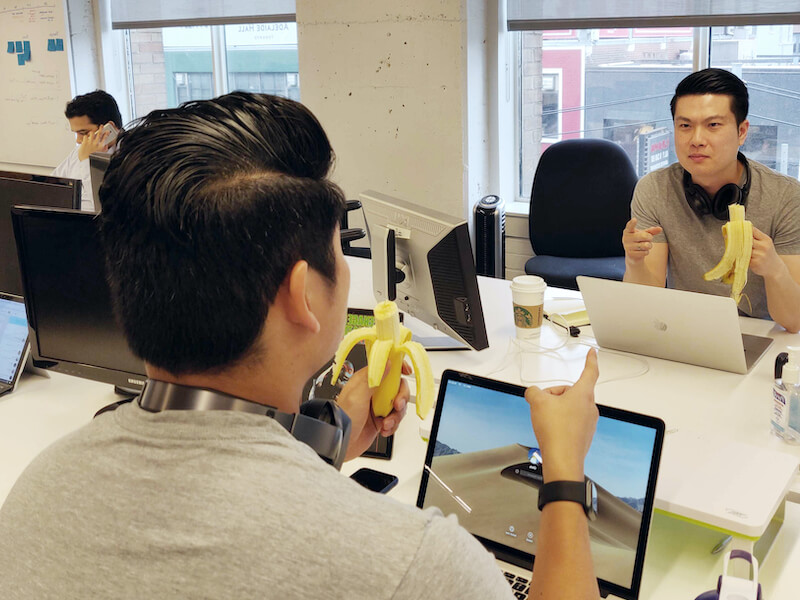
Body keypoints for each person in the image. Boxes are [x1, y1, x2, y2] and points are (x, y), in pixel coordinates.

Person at [0, 92, 600, 599]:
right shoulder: (412, 566)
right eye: (341, 251)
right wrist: (564, 469)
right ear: (303, 295)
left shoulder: (39, 491)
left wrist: (329, 437)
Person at [623, 68, 800, 333]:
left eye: (713, 125)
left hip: (758, 335)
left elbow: (793, 321)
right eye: (685, 126)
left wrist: (774, 269)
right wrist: (634, 261)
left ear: (742, 131)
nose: (696, 140)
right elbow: (645, 303)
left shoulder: (786, 196)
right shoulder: (655, 189)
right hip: (684, 330)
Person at [52, 90, 123, 212]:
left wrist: (88, 161)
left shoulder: (132, 155)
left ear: (109, 128)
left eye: (83, 133)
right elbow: (52, 190)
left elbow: (103, 208)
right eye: (76, 133)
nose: (79, 140)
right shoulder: (79, 151)